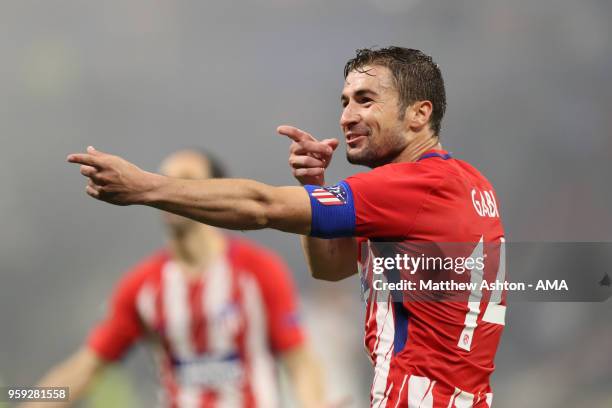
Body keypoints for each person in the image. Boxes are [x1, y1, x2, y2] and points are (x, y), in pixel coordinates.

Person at [67, 47, 506, 407]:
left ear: (418, 114)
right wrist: (315, 187)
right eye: (344, 102)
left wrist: (145, 186)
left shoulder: (410, 187)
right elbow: (331, 268)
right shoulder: (469, 184)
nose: (347, 116)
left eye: (366, 100)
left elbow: (262, 207)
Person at [30, 150, 325, 408]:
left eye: (186, 179)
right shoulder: (142, 285)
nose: (170, 189)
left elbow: (299, 361)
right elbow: (84, 368)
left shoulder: (259, 270)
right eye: (166, 178)